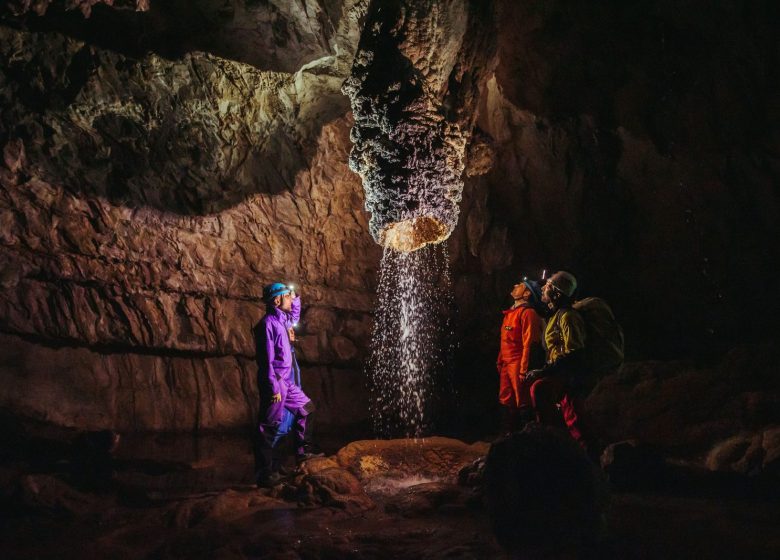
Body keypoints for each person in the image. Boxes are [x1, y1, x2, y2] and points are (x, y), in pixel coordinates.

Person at [525, 271, 598, 457]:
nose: (543, 288)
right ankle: (555, 446)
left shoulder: (568, 317)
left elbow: (574, 352)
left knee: (574, 420)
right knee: (569, 417)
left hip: (569, 376)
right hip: (561, 373)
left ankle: (583, 459)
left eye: (548, 285)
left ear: (557, 294)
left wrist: (544, 371)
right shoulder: (556, 315)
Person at [253, 282, 318, 487]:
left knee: (306, 408)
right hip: (276, 382)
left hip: (286, 382)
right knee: (270, 426)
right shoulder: (267, 324)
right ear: (277, 300)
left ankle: (303, 453)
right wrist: (273, 388)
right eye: (287, 297)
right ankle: (266, 473)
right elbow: (266, 360)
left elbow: (294, 317)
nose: (290, 299)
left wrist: (296, 297)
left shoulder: (282, 320)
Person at [496, 279, 545, 433]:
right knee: (506, 399)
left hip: (518, 363)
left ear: (527, 293)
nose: (515, 285)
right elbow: (504, 339)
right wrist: (500, 360)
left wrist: (524, 369)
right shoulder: (511, 312)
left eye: (520, 285)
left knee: (522, 401)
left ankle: (525, 438)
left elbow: (529, 343)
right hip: (507, 364)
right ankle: (508, 436)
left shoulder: (528, 313)